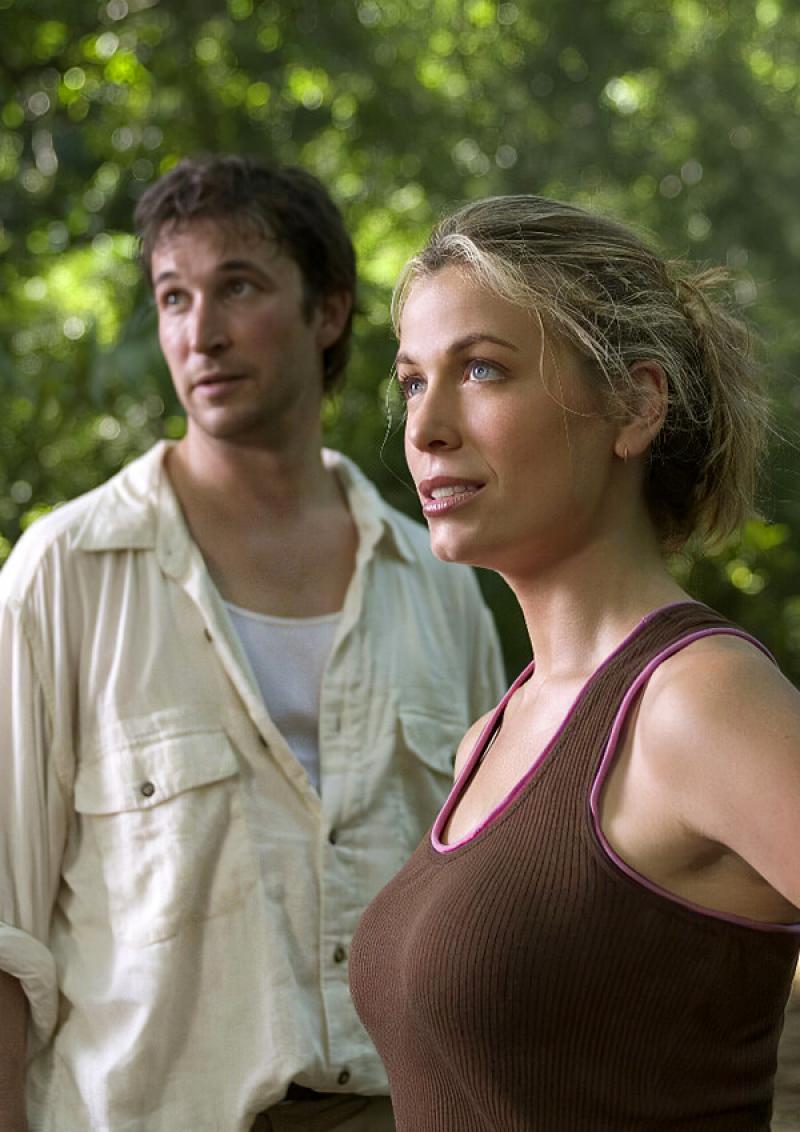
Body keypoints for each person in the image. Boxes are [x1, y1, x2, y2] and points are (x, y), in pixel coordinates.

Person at [0, 156, 506, 1132]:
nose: (201, 332)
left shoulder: (439, 583)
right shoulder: (64, 571)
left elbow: (484, 905)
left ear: (327, 310)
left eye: (237, 286)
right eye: (173, 296)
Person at [349, 194, 800, 1131]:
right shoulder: (492, 733)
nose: (425, 429)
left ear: (634, 406)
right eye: (413, 382)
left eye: (482, 369)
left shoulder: (697, 702)